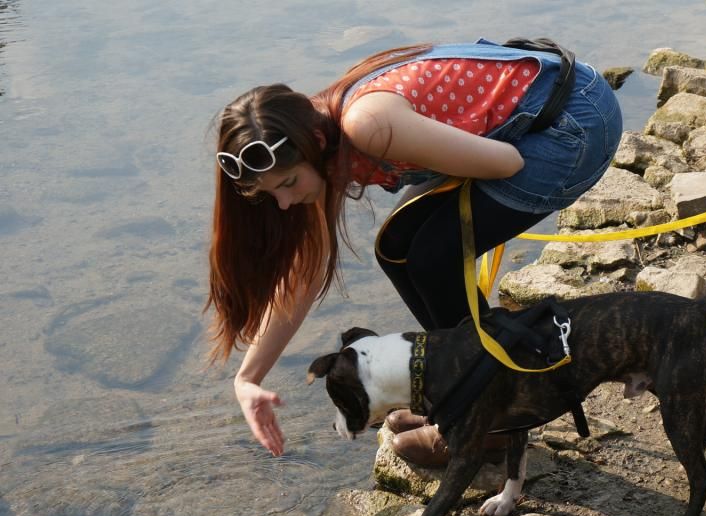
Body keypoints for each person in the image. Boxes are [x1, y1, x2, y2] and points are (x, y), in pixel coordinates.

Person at [206, 39, 623, 461]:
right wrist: (248, 378)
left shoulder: (367, 125)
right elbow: (303, 275)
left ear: (312, 141)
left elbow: (506, 163)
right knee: (396, 248)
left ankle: (490, 418)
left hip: (573, 125)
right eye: (268, 194)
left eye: (288, 184)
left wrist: (452, 160)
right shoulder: (315, 136)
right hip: (540, 119)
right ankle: (467, 393)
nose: (282, 203)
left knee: (433, 258)